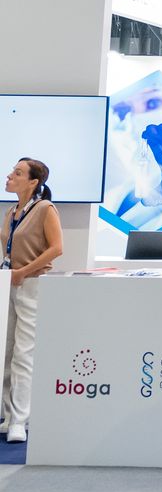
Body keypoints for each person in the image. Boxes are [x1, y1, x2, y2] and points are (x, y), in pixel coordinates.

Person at [1, 158, 63, 445]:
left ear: (33, 182)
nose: (9, 176)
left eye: (17, 173)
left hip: (32, 284)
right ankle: (7, 414)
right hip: (9, 283)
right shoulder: (11, 211)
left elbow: (57, 248)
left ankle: (20, 420)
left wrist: (23, 271)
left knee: (24, 354)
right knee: (6, 351)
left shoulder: (45, 209)